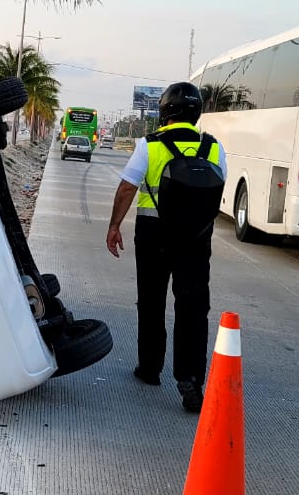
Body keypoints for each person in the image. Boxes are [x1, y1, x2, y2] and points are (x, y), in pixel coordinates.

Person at [104, 82, 227, 413]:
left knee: (152, 301)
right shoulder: (213, 147)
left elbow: (128, 187)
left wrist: (114, 225)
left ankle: (150, 368)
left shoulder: (150, 144)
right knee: (193, 307)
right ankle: (190, 380)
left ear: (165, 110)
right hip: (196, 238)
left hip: (154, 233)